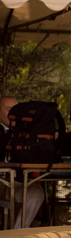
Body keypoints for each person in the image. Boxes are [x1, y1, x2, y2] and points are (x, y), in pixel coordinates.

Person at [0, 96, 45, 229]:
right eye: (9, 110)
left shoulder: (25, 134)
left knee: (36, 192)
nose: (14, 115)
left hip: (11, 183)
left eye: (16, 111)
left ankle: (17, 233)